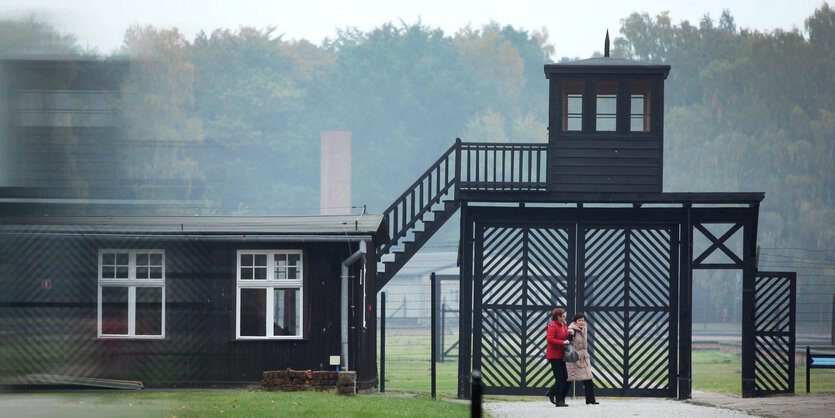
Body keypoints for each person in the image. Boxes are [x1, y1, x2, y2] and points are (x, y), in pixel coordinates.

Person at [566, 312, 598, 405]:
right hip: (575, 358)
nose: (581, 322)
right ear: (575, 322)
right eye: (579, 320)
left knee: (588, 378)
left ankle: (591, 400)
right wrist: (570, 335)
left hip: (584, 357)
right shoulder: (571, 330)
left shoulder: (584, 329)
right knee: (569, 379)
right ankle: (554, 393)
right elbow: (567, 342)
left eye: (583, 320)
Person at [545, 307, 570, 407]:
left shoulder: (564, 325)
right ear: (558, 317)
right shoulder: (553, 326)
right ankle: (559, 401)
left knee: (565, 377)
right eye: (563, 316)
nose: (565, 317)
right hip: (554, 356)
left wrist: (570, 335)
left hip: (562, 355)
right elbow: (550, 339)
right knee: (559, 378)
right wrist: (562, 342)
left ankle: (551, 391)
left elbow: (566, 338)